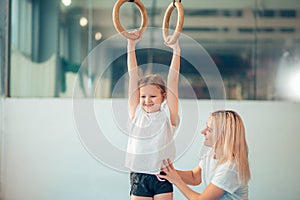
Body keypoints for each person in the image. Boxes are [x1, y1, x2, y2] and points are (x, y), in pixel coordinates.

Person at [125, 30, 181, 200]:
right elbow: (133, 76)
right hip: (140, 176)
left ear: (163, 96)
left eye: (152, 96)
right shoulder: (137, 113)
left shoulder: (168, 116)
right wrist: (131, 45)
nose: (147, 100)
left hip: (162, 175)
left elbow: (172, 81)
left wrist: (176, 51)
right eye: (143, 96)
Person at [160, 110, 251, 200]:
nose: (203, 132)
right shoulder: (211, 155)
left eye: (209, 130)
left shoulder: (229, 168)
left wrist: (176, 180)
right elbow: (194, 177)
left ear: (223, 136)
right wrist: (165, 171)